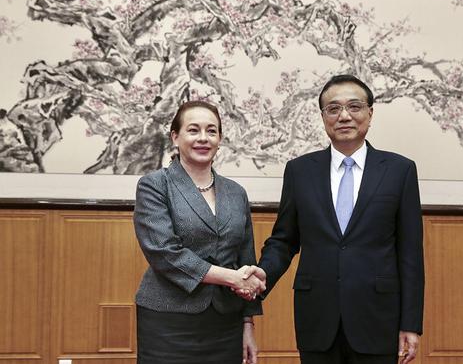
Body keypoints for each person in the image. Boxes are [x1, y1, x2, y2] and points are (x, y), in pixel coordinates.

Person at [245, 75, 424, 364]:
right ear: (323, 116)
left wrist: (411, 323)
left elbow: (410, 253)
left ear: (370, 113)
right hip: (317, 315)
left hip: (377, 316)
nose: (344, 116)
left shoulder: (399, 170)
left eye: (354, 107)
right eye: (333, 108)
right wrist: (264, 273)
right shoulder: (299, 171)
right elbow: (284, 239)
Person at [133, 100, 265, 364]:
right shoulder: (155, 185)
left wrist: (248, 324)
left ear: (220, 139)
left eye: (211, 131)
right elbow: (164, 253)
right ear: (175, 137)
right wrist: (232, 278)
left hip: (226, 323)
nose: (203, 138)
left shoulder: (236, 192)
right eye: (193, 130)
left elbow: (245, 257)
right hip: (169, 321)